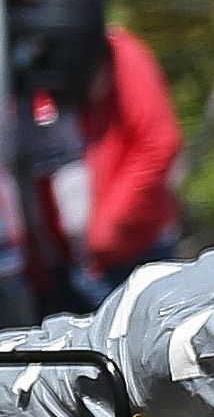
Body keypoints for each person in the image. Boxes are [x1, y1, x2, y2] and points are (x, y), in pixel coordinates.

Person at [53, 22, 182, 305]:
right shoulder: (33, 55)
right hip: (60, 265)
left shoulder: (119, 52)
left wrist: (104, 232)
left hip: (130, 257)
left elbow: (159, 142)